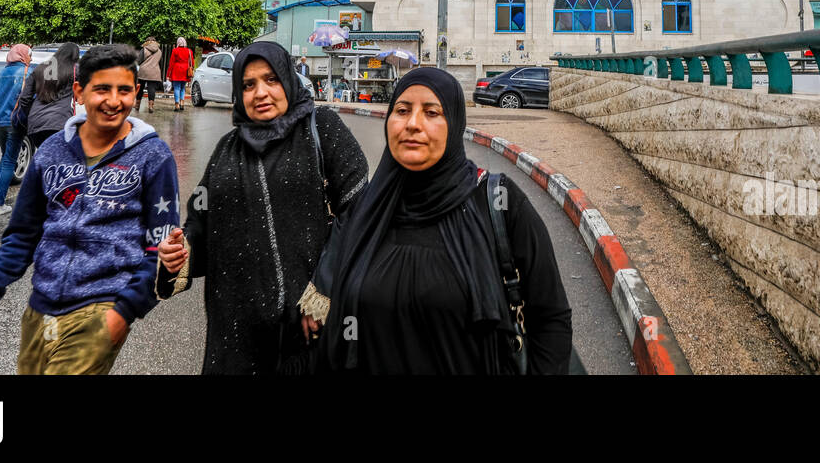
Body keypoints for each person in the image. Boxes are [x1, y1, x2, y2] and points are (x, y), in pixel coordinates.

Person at [298, 66, 572, 374]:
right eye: (402, 110)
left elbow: (551, 318)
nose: (413, 124)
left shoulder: (498, 202)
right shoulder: (369, 208)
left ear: (453, 123)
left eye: (432, 113)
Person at [0, 44, 180, 375]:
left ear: (136, 92)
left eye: (124, 90)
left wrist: (124, 312)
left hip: (100, 310)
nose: (114, 101)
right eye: (102, 89)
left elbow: (161, 248)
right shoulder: (51, 151)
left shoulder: (153, 156)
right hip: (40, 310)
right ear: (79, 91)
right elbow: (22, 236)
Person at [156, 41, 368, 374]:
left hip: (310, 330)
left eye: (271, 80)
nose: (261, 93)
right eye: (248, 84)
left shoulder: (321, 130)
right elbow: (200, 224)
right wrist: (178, 253)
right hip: (235, 339)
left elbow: (358, 212)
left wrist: (324, 291)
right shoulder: (227, 150)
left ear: (288, 79)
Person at [0, 44, 34, 216]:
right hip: (15, 122)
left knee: (5, 156)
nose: (31, 58)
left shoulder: (0, 74)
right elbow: (32, 99)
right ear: (23, 56)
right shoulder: (28, 74)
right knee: (10, 160)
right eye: (30, 55)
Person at [12, 41, 80, 157]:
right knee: (59, 160)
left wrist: (30, 115)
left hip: (36, 124)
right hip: (60, 123)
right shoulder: (75, 70)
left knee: (46, 158)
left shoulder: (40, 68)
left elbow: (24, 98)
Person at [167, 37, 193, 111]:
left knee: (177, 87)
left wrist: (168, 74)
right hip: (185, 71)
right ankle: (182, 103)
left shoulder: (175, 50)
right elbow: (192, 63)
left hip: (176, 70)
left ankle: (177, 105)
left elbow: (171, 63)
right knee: (182, 88)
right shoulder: (189, 51)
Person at [137, 37, 162, 113]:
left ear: (147, 42)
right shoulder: (159, 51)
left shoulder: (144, 49)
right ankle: (151, 106)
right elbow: (160, 62)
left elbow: (139, 60)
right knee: (152, 89)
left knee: (140, 88)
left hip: (143, 71)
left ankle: (137, 105)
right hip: (154, 71)